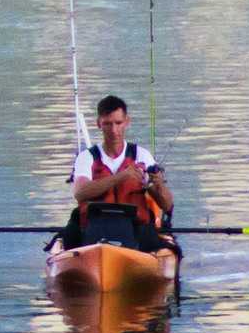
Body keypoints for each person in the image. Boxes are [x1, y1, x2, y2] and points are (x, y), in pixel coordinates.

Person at [56, 94, 178, 257]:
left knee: (149, 232)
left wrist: (159, 185)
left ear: (127, 122)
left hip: (135, 231)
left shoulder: (142, 155)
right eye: (107, 124)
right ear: (99, 124)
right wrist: (122, 176)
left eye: (118, 123)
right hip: (94, 230)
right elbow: (80, 192)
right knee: (72, 232)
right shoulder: (87, 157)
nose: (114, 130)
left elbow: (167, 205)